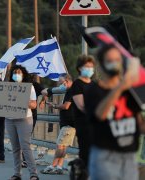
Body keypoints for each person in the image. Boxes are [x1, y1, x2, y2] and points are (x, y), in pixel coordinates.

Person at [85, 45, 142, 180]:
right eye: (110, 60)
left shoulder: (131, 91)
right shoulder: (93, 90)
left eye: (117, 59)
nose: (114, 63)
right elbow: (100, 115)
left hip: (129, 157)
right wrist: (121, 86)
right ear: (102, 63)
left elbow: (139, 123)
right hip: (105, 156)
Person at [3, 65, 39, 180]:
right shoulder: (7, 87)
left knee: (25, 146)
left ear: (23, 75)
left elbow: (33, 105)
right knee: (15, 148)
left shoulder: (29, 88)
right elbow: (1, 102)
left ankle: (33, 174)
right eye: (14, 73)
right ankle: (17, 174)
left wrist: (21, 99)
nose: (16, 75)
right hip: (9, 119)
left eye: (18, 73)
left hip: (24, 119)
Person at [40, 74, 75, 175]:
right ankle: (59, 166)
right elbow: (45, 91)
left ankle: (53, 166)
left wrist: (54, 105)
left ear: (67, 81)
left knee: (60, 145)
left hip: (68, 124)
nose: (60, 84)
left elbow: (66, 106)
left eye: (61, 82)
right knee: (63, 146)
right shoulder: (70, 90)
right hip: (69, 124)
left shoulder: (71, 90)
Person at [71, 54, 95, 169]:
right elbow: (81, 106)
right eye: (87, 66)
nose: (90, 69)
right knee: (86, 152)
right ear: (80, 68)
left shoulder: (94, 84)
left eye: (91, 66)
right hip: (84, 124)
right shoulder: (77, 84)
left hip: (96, 124)